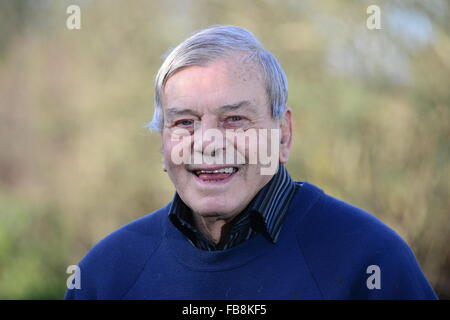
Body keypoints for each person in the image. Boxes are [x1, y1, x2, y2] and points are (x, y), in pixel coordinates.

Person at [65, 25, 437, 300]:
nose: (208, 143)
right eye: (184, 123)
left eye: (234, 120)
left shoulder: (370, 262)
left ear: (284, 134)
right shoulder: (106, 275)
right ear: (163, 144)